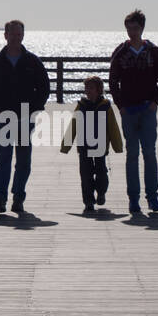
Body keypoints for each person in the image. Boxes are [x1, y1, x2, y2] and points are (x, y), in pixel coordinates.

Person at [0, 20, 50, 214]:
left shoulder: (32, 61)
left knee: (23, 160)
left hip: (25, 117)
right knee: (3, 157)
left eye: (19, 34)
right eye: (12, 34)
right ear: (5, 35)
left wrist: (35, 108)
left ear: (23, 36)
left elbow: (44, 87)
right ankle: (0, 197)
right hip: (4, 118)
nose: (15, 38)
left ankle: (18, 197)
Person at [108, 9, 158, 214]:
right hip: (129, 111)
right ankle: (133, 199)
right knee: (132, 154)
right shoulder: (120, 52)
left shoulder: (153, 51)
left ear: (142, 28)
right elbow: (112, 81)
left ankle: (152, 198)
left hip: (147, 109)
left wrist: (155, 101)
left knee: (149, 153)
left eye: (135, 28)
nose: (132, 32)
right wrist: (121, 106)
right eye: (129, 28)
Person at [59, 75, 123, 213]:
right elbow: (73, 125)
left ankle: (101, 193)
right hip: (84, 146)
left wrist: (117, 145)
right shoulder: (81, 106)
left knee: (101, 173)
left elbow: (113, 127)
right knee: (85, 175)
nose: (88, 90)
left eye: (91, 88)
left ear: (99, 90)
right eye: (86, 88)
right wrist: (66, 145)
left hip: (100, 146)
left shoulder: (105, 106)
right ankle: (88, 201)